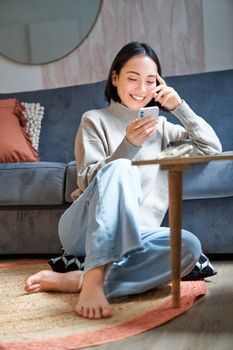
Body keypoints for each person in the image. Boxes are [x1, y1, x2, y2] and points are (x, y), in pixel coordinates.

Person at [24, 42, 222, 319]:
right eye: (132, 78)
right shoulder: (94, 120)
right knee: (120, 168)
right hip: (83, 229)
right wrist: (128, 145)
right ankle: (92, 278)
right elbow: (87, 178)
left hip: (136, 236)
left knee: (188, 245)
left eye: (150, 81)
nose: (141, 89)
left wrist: (179, 107)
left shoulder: (163, 129)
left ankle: (78, 281)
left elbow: (211, 148)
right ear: (115, 78)